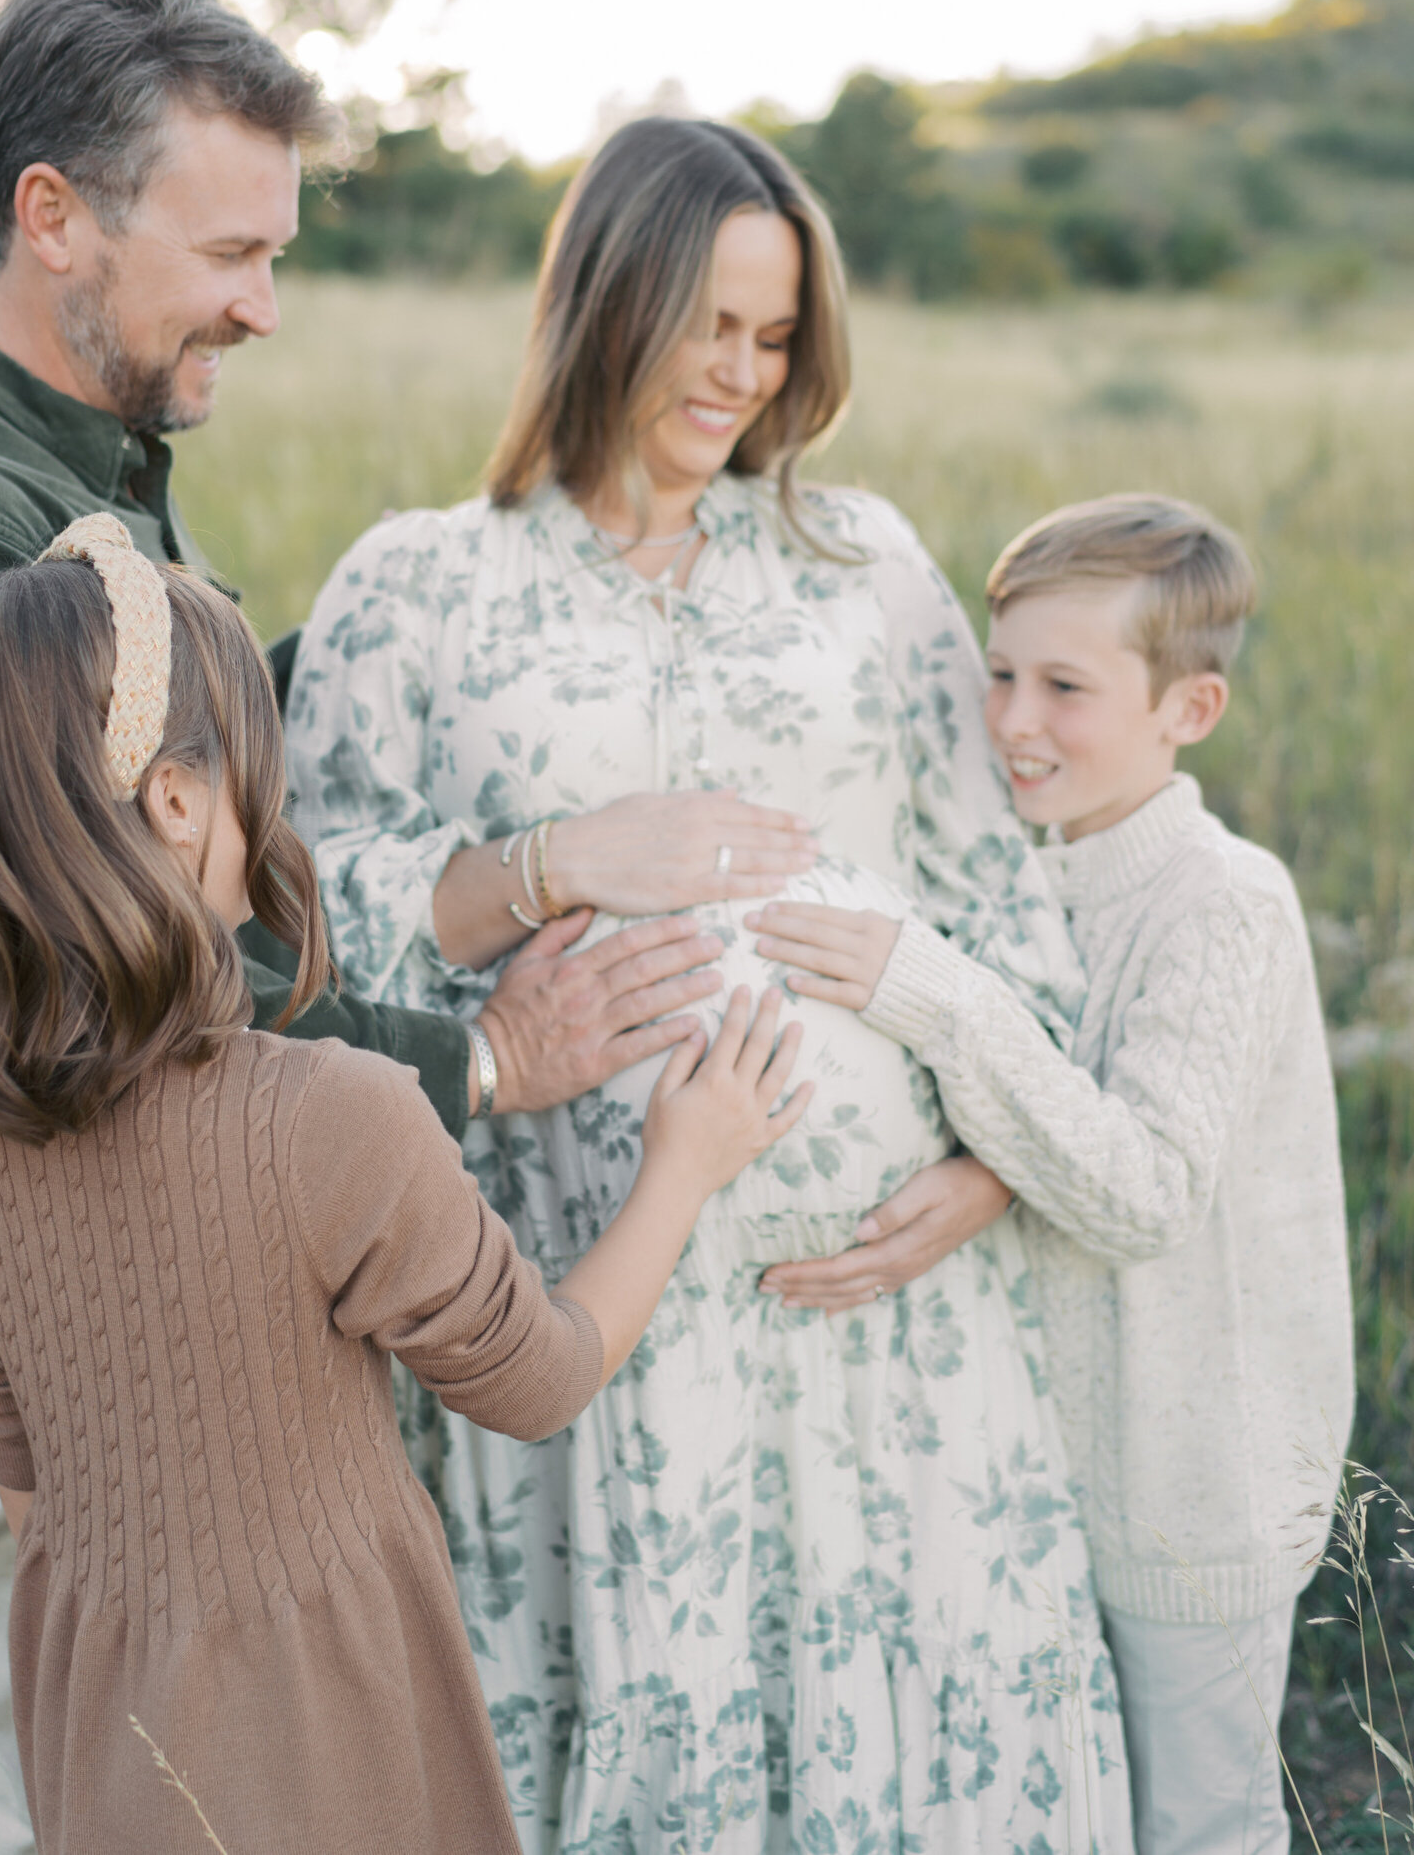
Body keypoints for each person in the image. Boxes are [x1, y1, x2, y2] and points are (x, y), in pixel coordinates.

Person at [0, 0, 723, 1855]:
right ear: (53, 217)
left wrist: (418, 615)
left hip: (147, 1231)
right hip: (58, 1250)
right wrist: (474, 1059)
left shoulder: (77, 475)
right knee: (42, 1774)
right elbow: (119, 956)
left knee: (195, 1765)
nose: (267, 303)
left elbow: (169, 767)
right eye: (233, 250)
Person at [286, 116, 1135, 1850]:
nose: (743, 374)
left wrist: (981, 1179)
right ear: (609, 300)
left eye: (774, 337)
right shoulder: (425, 586)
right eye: (711, 326)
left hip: (885, 1321)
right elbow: (304, 931)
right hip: (594, 1312)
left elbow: (1004, 917)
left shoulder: (866, 571)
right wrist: (549, 863)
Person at [0, 517, 808, 1855]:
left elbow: (33, 1501)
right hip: (332, 1738)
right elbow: (540, 1379)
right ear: (179, 802)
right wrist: (684, 1163)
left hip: (100, 1738)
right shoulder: (332, 1116)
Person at [749, 494, 1355, 1855]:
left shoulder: (1222, 902)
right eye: (1001, 673)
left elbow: (1140, 1186)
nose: (1015, 721)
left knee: (1200, 1826)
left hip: (1191, 1485)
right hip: (1039, 1479)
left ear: (1188, 710)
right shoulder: (1023, 866)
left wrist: (941, 996)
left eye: (1066, 688)